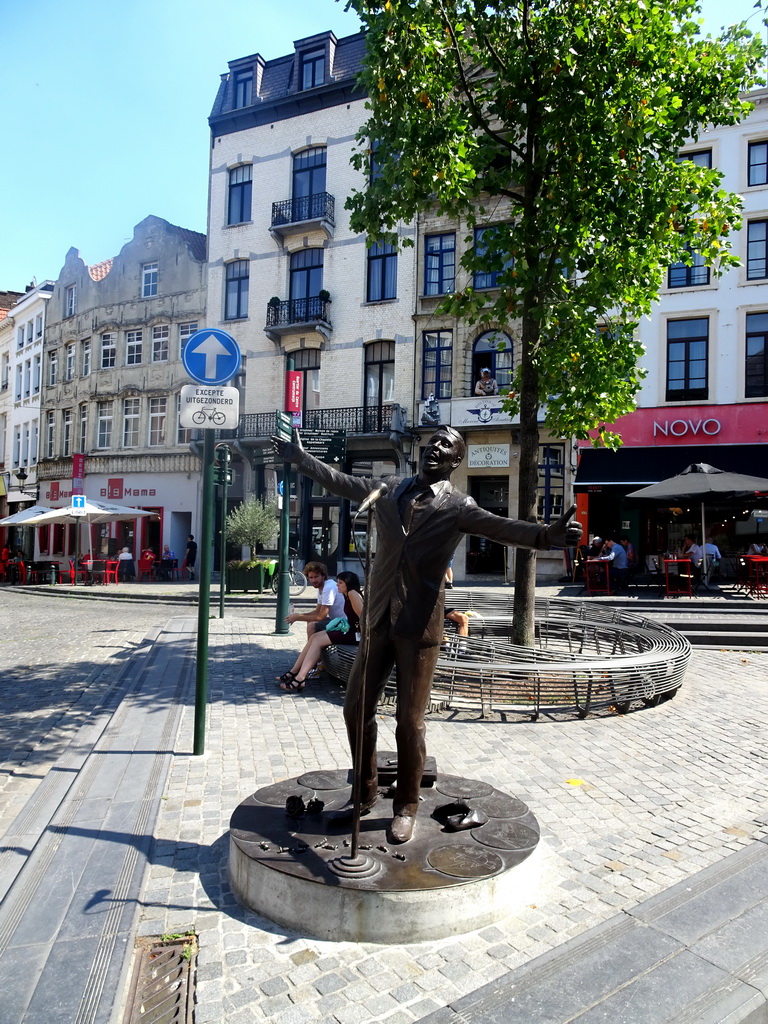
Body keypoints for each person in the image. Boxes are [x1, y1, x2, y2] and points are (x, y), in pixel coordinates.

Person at [272, 424, 581, 844]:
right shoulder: (386, 489)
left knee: (409, 722)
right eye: (432, 440)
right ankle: (362, 795)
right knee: (354, 709)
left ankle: (406, 806)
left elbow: (501, 527)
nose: (436, 447)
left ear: (456, 462)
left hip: (419, 626)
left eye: (447, 446)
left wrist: (546, 536)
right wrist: (301, 459)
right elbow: (341, 481)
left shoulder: (459, 505)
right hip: (378, 619)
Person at [276, 571, 364, 692]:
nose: (337, 585)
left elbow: (363, 618)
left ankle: (300, 677)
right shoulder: (346, 594)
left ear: (348, 583)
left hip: (355, 635)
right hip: (350, 631)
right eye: (337, 582)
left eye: (340, 582)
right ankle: (294, 671)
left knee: (317, 640)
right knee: (315, 637)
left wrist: (364, 639)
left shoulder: (353, 594)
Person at [283, 561, 345, 641]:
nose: (313, 580)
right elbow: (317, 611)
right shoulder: (322, 588)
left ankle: (311, 649)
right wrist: (299, 615)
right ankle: (313, 649)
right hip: (337, 620)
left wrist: (298, 617)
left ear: (323, 576)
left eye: (316, 577)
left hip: (343, 624)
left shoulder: (328, 588)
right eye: (311, 578)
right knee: (310, 621)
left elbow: (321, 616)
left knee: (312, 625)